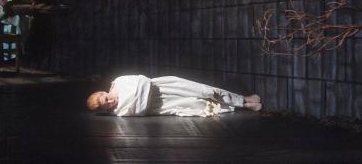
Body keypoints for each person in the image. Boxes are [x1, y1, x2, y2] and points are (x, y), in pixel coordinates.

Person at [86, 75, 262, 117]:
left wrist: (138, 97)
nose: (111, 102)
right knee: (199, 105)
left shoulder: (119, 82)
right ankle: (244, 106)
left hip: (162, 86)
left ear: (103, 92)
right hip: (162, 105)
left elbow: (142, 80)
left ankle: (243, 99)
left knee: (204, 90)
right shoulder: (118, 112)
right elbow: (140, 110)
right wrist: (139, 97)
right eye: (107, 105)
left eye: (106, 99)